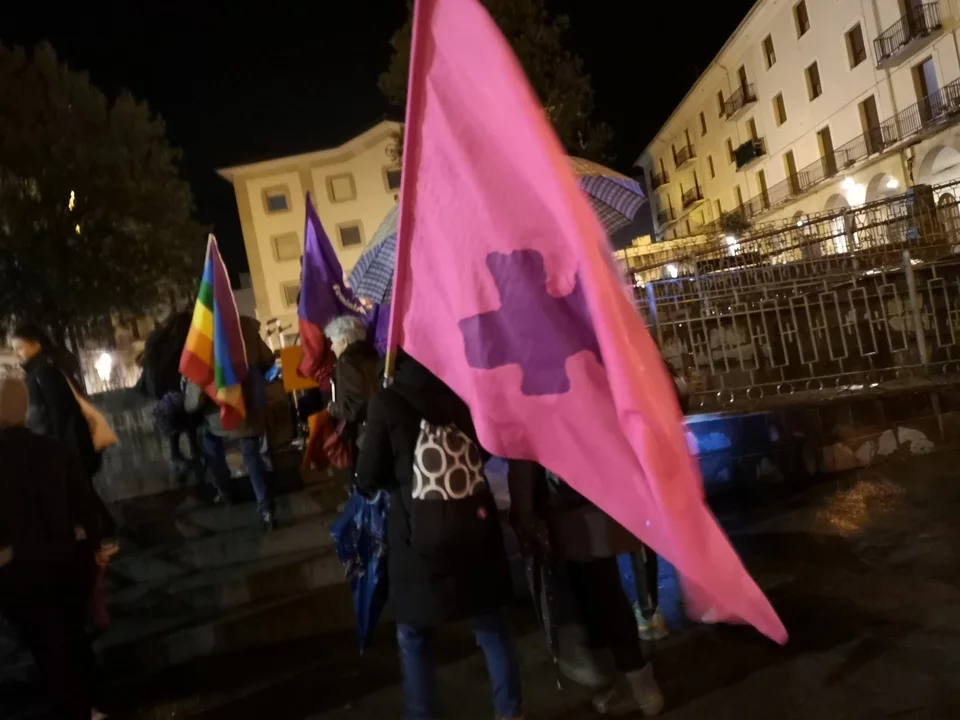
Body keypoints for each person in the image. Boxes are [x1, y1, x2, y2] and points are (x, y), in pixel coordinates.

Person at [355, 351, 523, 720]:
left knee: (414, 636)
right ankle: (511, 711)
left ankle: (421, 714)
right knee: (491, 627)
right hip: (475, 528)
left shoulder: (388, 401)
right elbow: (486, 450)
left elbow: (368, 476)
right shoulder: (466, 392)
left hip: (417, 537)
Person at [508, 461, 664, 717]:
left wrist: (524, 514)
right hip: (590, 501)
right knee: (599, 592)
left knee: (602, 594)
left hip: (573, 510)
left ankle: (640, 689)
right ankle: (627, 682)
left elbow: (524, 463)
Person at [0, 377, 107, 719]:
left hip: (19, 569)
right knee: (73, 633)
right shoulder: (55, 450)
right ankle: (93, 701)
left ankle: (75, 708)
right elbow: (85, 504)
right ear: (26, 410)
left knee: (47, 647)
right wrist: (94, 546)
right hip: (66, 560)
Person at [11, 325, 117, 544]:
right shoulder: (40, 371)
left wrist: (56, 449)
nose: (16, 353)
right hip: (63, 446)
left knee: (77, 492)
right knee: (79, 491)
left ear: (36, 344)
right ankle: (102, 531)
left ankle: (102, 534)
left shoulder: (44, 372)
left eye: (19, 347)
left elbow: (60, 413)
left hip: (65, 446)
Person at [186, 315, 277, 530]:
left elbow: (197, 385)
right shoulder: (246, 328)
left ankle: (225, 492)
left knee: (211, 446)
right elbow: (267, 359)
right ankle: (266, 507)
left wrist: (191, 404)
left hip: (219, 413)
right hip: (249, 408)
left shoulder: (204, 335)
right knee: (251, 456)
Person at [323, 315, 381, 465]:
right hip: (378, 426)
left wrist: (333, 408)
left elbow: (353, 408)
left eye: (333, 342)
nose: (332, 347)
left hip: (361, 434)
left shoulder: (346, 361)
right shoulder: (373, 354)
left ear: (344, 341)